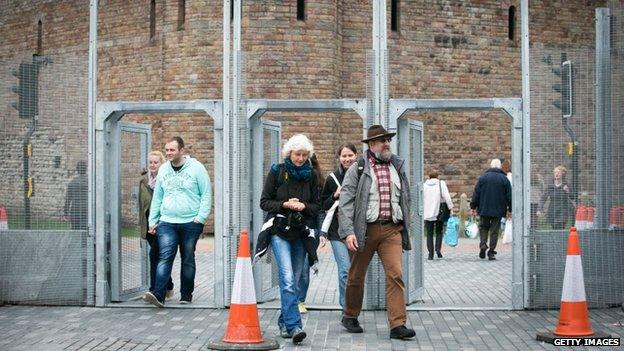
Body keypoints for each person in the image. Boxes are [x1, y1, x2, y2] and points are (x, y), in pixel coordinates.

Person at [338, 125, 416, 340]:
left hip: (392, 230)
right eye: (382, 140)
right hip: (364, 231)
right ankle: (350, 315)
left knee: (396, 274)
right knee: (356, 275)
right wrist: (348, 232)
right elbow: (346, 201)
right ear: (372, 145)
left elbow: (405, 198)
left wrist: (406, 226)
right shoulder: (359, 167)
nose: (387, 143)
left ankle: (397, 324)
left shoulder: (397, 166)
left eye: (388, 139)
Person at [260, 134, 320, 344]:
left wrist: (303, 206)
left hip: (301, 232)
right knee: (286, 279)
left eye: (305, 155)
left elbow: (316, 206)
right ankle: (295, 327)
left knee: (293, 282)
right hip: (279, 231)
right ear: (289, 153)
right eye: (297, 154)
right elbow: (264, 202)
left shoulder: (312, 175)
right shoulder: (278, 171)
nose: (301, 158)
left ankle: (284, 322)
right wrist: (285, 204)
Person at [143, 136, 212, 307]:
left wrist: (200, 218)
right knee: (165, 255)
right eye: (166, 150)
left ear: (181, 150)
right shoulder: (164, 169)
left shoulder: (197, 168)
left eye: (172, 150)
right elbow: (158, 197)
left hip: (191, 222)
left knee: (187, 257)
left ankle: (186, 295)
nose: (168, 153)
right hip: (167, 221)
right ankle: (159, 294)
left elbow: (206, 194)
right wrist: (153, 221)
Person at [319, 142, 357, 310]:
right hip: (337, 231)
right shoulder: (332, 178)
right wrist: (335, 195)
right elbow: (324, 205)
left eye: (350, 155)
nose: (347, 159)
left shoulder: (363, 175)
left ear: (356, 155)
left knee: (355, 272)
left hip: (358, 230)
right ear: (339, 158)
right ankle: (346, 308)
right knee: (345, 271)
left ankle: (355, 305)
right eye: (344, 156)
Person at [139, 151, 173, 300]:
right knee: (159, 256)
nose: (152, 165)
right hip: (148, 223)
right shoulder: (143, 180)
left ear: (162, 163)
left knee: (155, 255)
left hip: (162, 222)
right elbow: (141, 204)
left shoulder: (167, 178)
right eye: (150, 162)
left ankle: (155, 289)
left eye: (156, 162)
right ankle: (168, 285)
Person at [296, 154, 325, 314]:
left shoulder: (318, 184)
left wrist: (321, 232)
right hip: (293, 230)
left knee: (305, 269)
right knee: (296, 268)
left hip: (310, 232)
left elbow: (320, 211)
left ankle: (300, 300)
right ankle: (292, 299)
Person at [470, 158, 512, 261]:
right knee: (494, 231)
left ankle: (483, 244)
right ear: (499, 167)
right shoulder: (504, 179)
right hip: (498, 210)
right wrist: (510, 209)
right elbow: (509, 196)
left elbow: (476, 193)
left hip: (484, 208)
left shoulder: (483, 178)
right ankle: (491, 252)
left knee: (483, 228)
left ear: (491, 166)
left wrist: (473, 206)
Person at [422, 170, 454, 260]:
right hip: (439, 212)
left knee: (429, 233)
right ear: (437, 176)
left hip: (428, 213)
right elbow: (447, 196)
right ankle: (438, 250)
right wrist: (451, 207)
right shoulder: (441, 184)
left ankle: (430, 254)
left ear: (429, 176)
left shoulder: (424, 186)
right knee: (439, 232)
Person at [537, 165, 575, 230]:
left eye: (558, 172)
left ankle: (560, 239)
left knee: (560, 226)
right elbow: (543, 198)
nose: (556, 174)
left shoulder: (566, 184)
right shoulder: (550, 185)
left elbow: (572, 197)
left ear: (563, 174)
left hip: (563, 209)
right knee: (554, 227)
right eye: (555, 172)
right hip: (552, 210)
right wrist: (539, 209)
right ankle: (556, 240)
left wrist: (567, 191)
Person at [64, 161, 88, 230]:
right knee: (86, 231)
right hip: (87, 210)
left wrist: (66, 213)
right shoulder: (90, 183)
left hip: (75, 210)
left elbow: (68, 200)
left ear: (77, 170)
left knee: (75, 232)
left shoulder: (72, 183)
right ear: (86, 169)